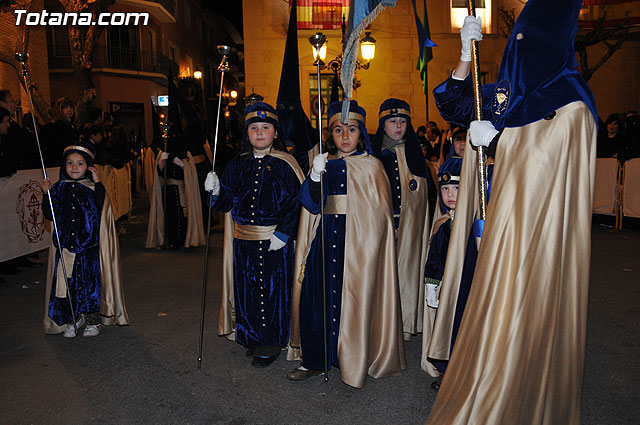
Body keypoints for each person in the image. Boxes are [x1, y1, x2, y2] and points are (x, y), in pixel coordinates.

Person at [425, 0, 598, 423]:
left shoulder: (569, 106)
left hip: (523, 235)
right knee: (477, 289)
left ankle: (508, 381)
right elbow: (456, 106)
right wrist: (466, 55)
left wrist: (504, 132)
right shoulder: (516, 93)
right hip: (492, 218)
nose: (517, 52)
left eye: (525, 42)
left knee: (518, 294)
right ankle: (477, 368)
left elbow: (540, 173)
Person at [286, 100, 405, 388]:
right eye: (338, 130)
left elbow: (380, 218)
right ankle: (314, 359)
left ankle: (352, 358)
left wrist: (369, 244)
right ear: (331, 134)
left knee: (353, 301)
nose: (345, 136)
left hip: (358, 248)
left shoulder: (373, 167)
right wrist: (314, 176)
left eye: (351, 129)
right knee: (316, 298)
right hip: (325, 241)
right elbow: (310, 204)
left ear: (361, 133)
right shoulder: (324, 163)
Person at [205, 101, 304, 368]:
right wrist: (215, 192)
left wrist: (283, 233)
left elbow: (296, 202)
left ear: (275, 132)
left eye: (265, 127)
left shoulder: (286, 164)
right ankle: (252, 336)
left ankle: (271, 340)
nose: (259, 133)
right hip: (243, 242)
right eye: (254, 128)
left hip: (274, 241)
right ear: (247, 133)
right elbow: (226, 203)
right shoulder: (237, 166)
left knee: (271, 292)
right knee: (247, 290)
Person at [41, 140, 129, 337]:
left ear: (88, 167)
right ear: (64, 166)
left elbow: (100, 207)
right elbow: (49, 214)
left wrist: (98, 182)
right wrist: (46, 194)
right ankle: (72, 319)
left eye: (80, 163)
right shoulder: (58, 189)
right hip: (66, 247)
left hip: (88, 248)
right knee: (67, 286)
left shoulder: (92, 188)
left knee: (89, 286)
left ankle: (92, 320)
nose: (74, 167)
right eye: (70, 163)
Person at [370, 98, 431, 340]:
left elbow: (422, 197)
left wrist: (408, 222)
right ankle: (382, 322)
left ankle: (405, 322)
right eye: (392, 121)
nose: (398, 126)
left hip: (409, 226)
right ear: (383, 124)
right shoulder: (373, 156)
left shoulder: (415, 157)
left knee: (406, 273)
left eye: (403, 122)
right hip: (381, 225)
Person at [421, 157, 461, 381]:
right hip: (446, 289)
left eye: (456, 187)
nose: (450, 194)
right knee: (446, 328)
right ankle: (447, 371)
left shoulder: (478, 224)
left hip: (466, 288)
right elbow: (434, 259)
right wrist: (432, 286)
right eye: (445, 188)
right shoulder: (442, 224)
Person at [146, 131, 205, 250]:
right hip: (168, 191)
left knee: (181, 215)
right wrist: (162, 161)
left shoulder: (185, 155)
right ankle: (170, 239)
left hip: (180, 190)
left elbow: (189, 172)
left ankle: (182, 239)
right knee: (169, 216)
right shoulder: (164, 154)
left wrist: (183, 165)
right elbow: (159, 174)